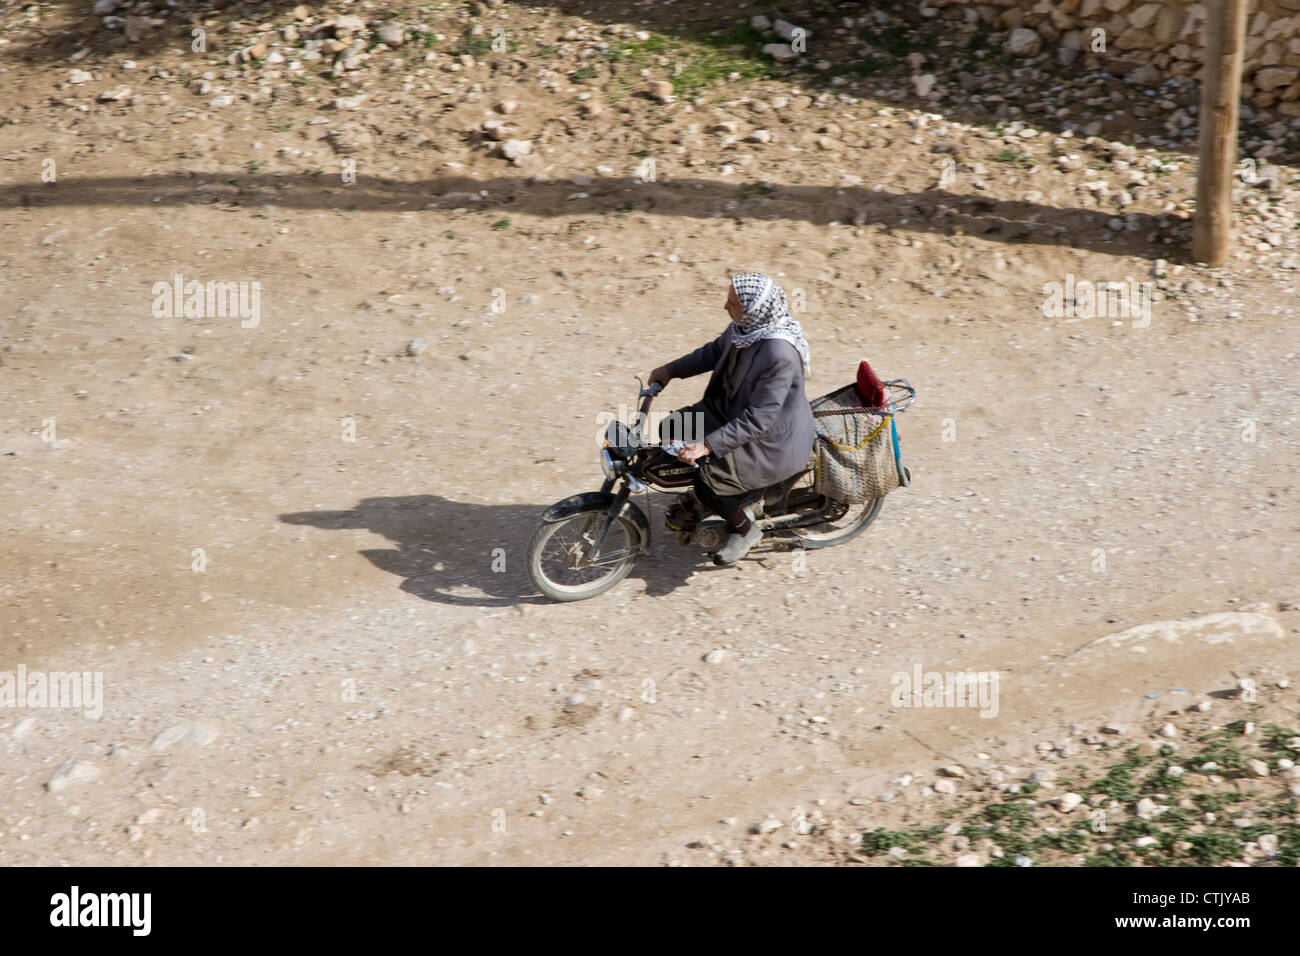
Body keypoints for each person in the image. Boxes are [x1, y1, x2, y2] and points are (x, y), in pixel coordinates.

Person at [649, 273, 816, 565]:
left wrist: (707, 446)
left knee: (708, 483)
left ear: (753, 309)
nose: (725, 306)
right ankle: (719, 496)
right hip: (729, 411)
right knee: (672, 427)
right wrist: (670, 370)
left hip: (769, 440)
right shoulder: (745, 328)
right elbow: (714, 352)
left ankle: (744, 528)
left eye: (732, 303)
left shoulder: (779, 354)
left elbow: (758, 419)